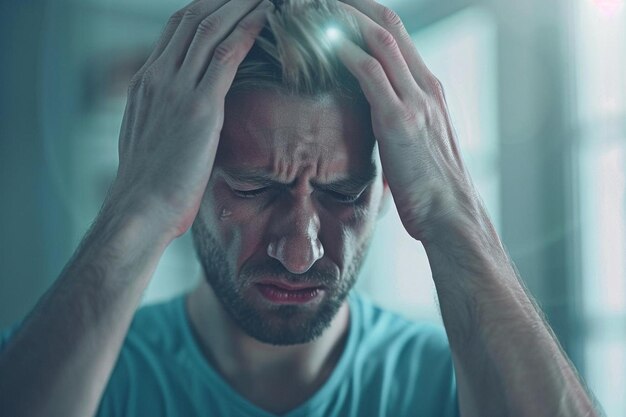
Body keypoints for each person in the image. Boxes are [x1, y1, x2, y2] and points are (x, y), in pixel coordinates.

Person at [0, 0, 602, 416]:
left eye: (345, 194)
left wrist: (453, 214)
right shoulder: (83, 371)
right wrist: (135, 209)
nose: (299, 251)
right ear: (184, 179)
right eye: (254, 189)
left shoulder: (452, 380)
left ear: (386, 185)